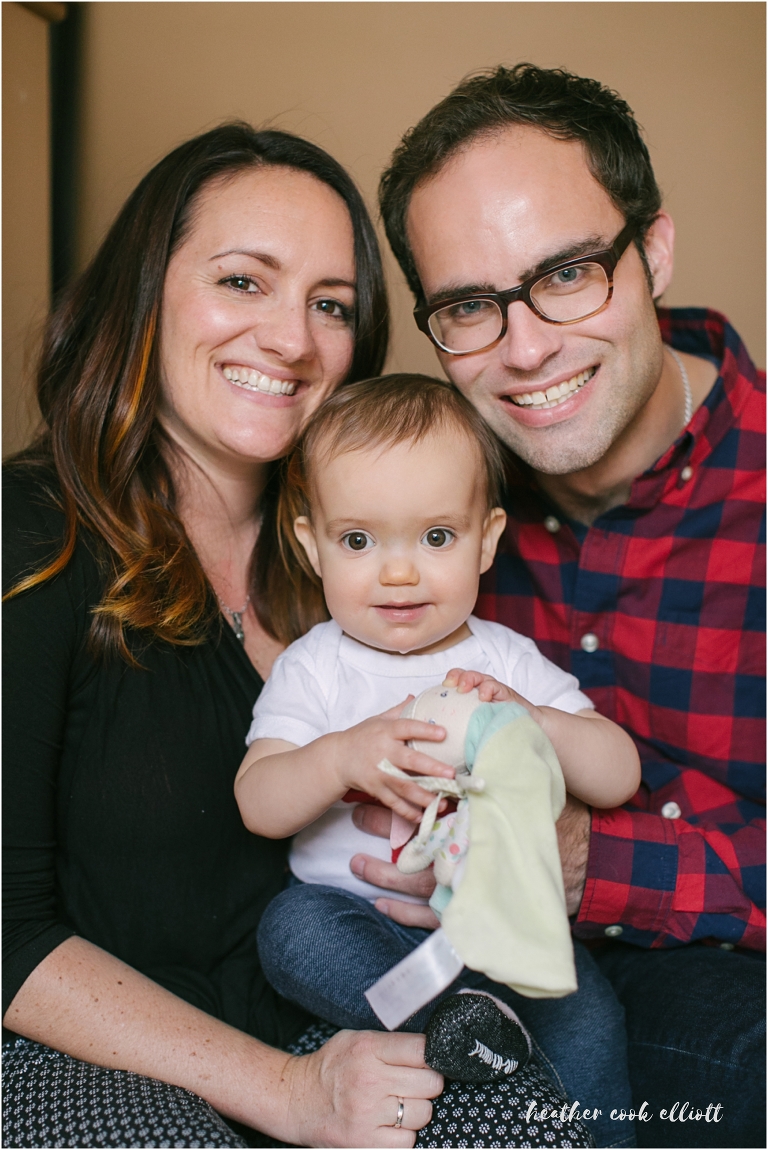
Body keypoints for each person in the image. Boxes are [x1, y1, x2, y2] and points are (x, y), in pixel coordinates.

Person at [2, 121, 593, 1149]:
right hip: (85, 1048)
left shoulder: (371, 564)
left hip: (349, 1007)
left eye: (331, 305)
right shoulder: (30, 539)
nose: (292, 339)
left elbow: (524, 741)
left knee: (536, 1122)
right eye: (243, 282)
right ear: (145, 293)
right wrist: (285, 1091)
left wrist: (534, 837)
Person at [373, 64, 765, 1148]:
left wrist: (599, 861)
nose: (528, 346)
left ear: (655, 252)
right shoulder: (425, 503)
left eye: (568, 273)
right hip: (455, 982)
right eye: (468, 305)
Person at [236, 373, 641, 1147]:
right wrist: (338, 759)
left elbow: (618, 773)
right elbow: (258, 801)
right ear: (309, 544)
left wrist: (534, 721)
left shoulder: (505, 660)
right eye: (358, 541)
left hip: (504, 923)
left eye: (436, 537)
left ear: (486, 540)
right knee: (289, 933)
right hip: (360, 921)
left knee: (590, 1017)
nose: (398, 572)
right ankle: (459, 1029)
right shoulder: (316, 667)